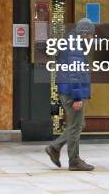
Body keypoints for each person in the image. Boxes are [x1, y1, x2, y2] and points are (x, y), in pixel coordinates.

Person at [45, 18, 95, 171]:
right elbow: (74, 73)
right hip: (71, 92)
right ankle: (74, 161)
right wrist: (77, 97)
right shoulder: (74, 46)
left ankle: (55, 147)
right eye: (91, 35)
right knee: (75, 126)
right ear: (85, 32)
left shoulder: (71, 41)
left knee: (79, 124)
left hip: (67, 89)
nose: (92, 38)